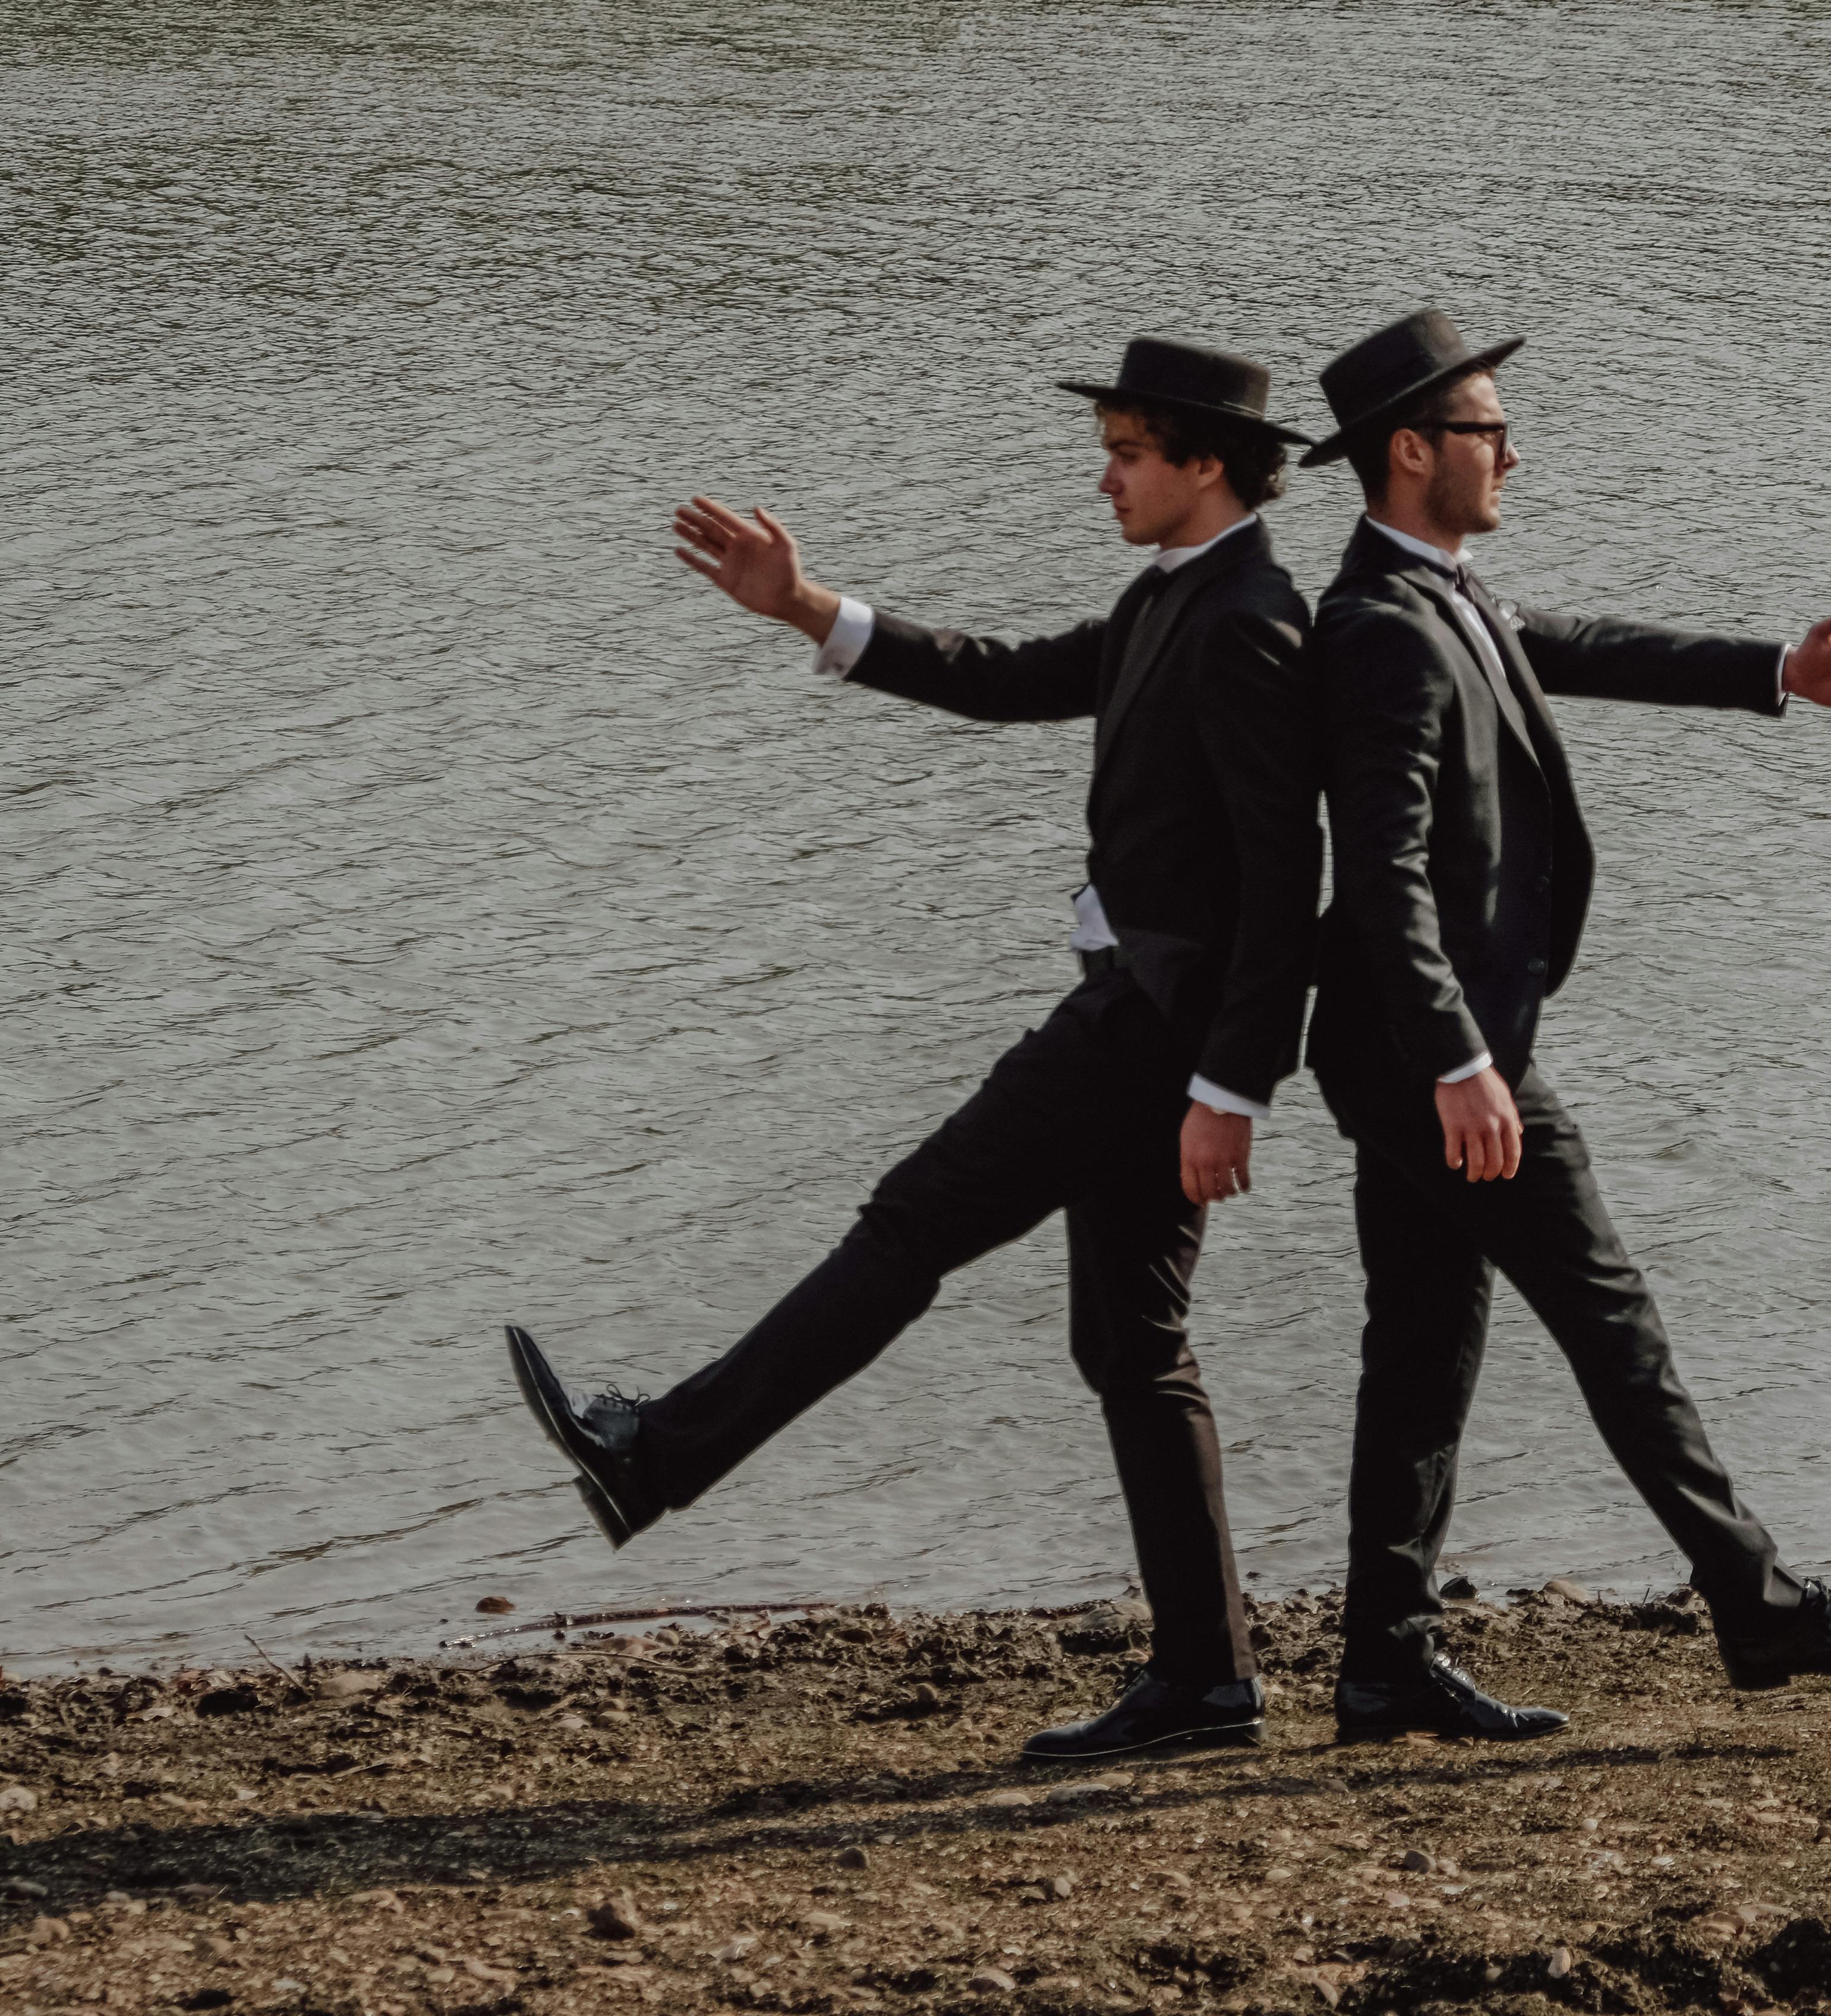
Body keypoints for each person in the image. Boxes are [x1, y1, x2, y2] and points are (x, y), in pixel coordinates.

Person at [506, 339, 1323, 1765]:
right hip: (1149, 1029)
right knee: (1135, 1345)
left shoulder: (1250, 618)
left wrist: (1229, 1088)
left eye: (1130, 450)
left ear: (1207, 463)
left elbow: (1281, 880)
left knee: (909, 1222)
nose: (1106, 472)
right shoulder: (1172, 599)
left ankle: (659, 1454)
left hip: (1145, 1032)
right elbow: (1005, 679)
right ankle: (1209, 1683)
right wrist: (805, 608)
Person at [1294, 307, 1831, 1744]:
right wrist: (1465, 1060)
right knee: (1614, 1321)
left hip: (1414, 1054)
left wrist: (1780, 669)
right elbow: (1384, 875)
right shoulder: (1378, 634)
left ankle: (1384, 1661)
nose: (1513, 453)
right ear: (1412, 452)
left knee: (1420, 1344)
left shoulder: (1439, 595)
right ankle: (1764, 1610)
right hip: (1443, 1057)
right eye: (1486, 430)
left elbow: (1579, 643)